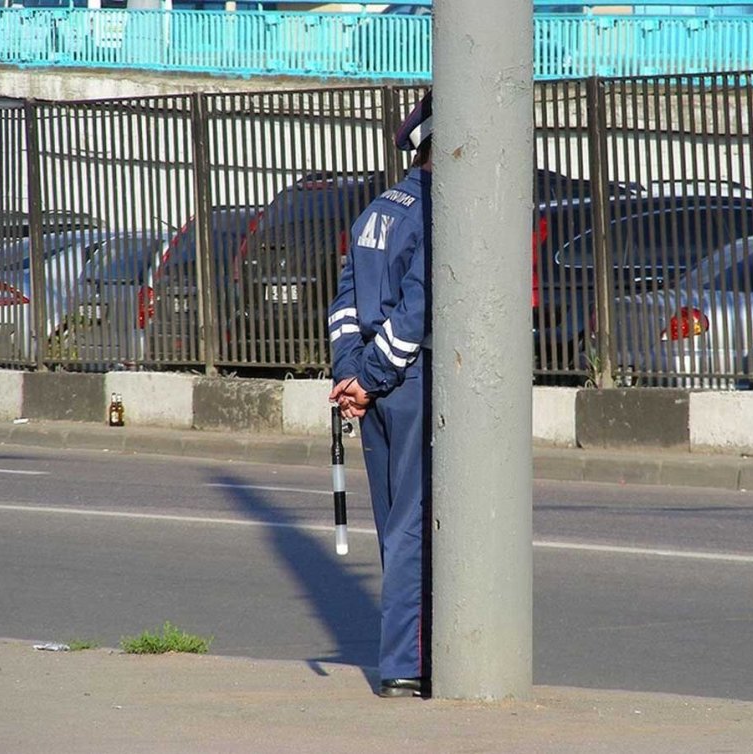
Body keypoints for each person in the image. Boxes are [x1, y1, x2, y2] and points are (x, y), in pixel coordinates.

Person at [327, 91, 433, 699]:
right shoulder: (432, 213)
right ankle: (406, 665)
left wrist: (349, 372)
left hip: (372, 390)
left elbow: (345, 298)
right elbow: (418, 308)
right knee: (414, 525)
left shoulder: (377, 209)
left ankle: (404, 653)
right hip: (405, 382)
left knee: (395, 522)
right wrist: (368, 377)